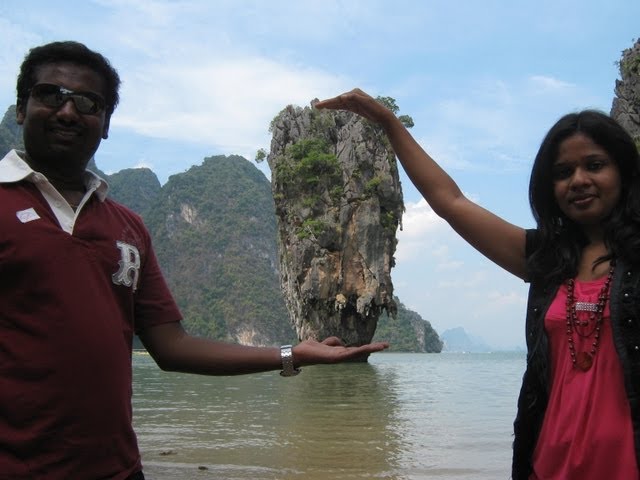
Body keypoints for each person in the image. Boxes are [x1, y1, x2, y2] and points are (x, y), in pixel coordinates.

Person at [0, 42, 389, 480]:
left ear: (105, 123)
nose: (68, 111)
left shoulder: (127, 226)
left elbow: (172, 346)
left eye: (87, 102)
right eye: (51, 94)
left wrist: (292, 354)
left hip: (118, 470)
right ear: (20, 109)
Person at [315, 88, 640, 479]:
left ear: (622, 172)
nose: (579, 180)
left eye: (595, 165)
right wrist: (388, 122)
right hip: (546, 467)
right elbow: (450, 201)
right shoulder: (547, 260)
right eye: (563, 172)